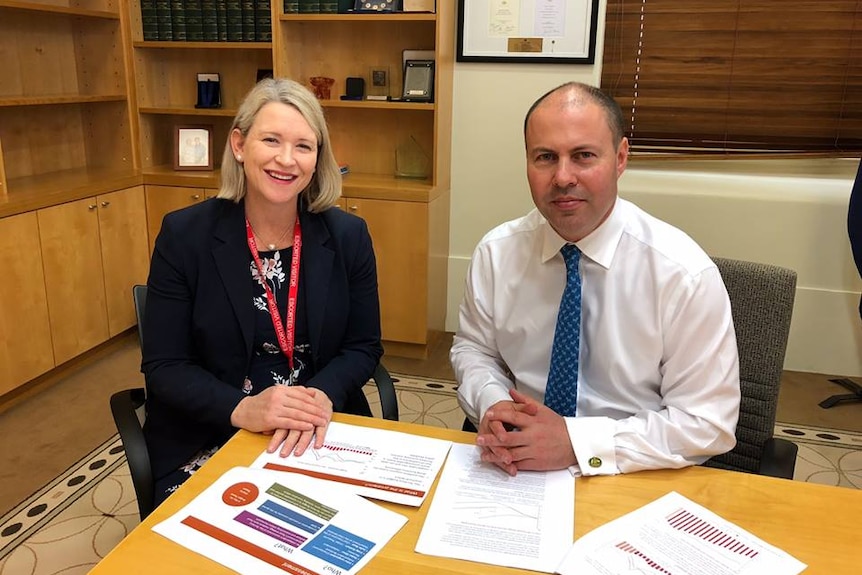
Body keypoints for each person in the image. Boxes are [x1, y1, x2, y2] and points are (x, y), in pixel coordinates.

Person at [451, 82, 740, 477]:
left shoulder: (682, 273)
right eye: (545, 157)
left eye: (583, 156)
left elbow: (707, 424)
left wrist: (576, 443)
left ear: (620, 158)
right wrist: (493, 403)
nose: (563, 177)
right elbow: (475, 350)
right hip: (514, 467)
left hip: (632, 470)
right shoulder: (496, 253)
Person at [141, 77, 382, 504]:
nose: (286, 160)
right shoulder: (185, 236)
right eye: (271, 140)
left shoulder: (348, 236)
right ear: (239, 144)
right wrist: (243, 409)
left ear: (317, 158)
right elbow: (165, 365)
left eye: (304, 146)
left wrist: (319, 397)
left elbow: (363, 346)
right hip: (214, 426)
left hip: (317, 424)